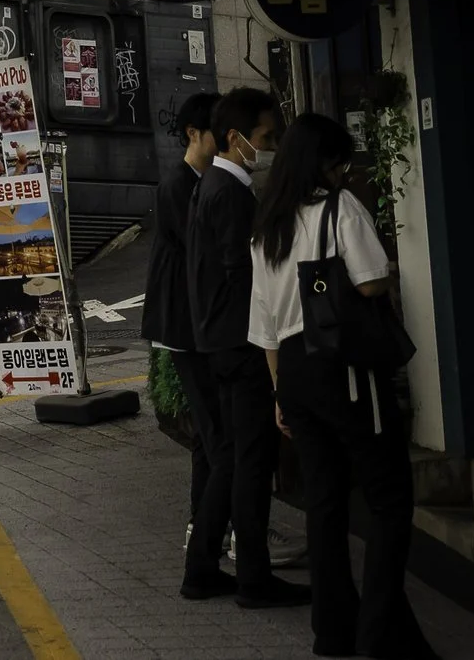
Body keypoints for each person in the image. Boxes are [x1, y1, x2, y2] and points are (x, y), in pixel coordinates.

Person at [253, 113, 434, 658]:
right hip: (346, 370)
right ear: (326, 165)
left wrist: (280, 392)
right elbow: (372, 281)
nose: (343, 172)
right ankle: (380, 635)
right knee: (388, 500)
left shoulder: (267, 229)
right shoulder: (340, 209)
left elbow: (262, 327)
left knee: (324, 503)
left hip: (294, 373)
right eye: (341, 163)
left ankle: (331, 630)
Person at [185, 88, 309, 608]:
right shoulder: (230, 193)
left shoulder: (210, 186)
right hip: (242, 344)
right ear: (236, 139)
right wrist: (270, 348)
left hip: (219, 341)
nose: (270, 147)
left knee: (232, 460)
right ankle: (252, 576)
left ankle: (203, 568)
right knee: (251, 461)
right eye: (264, 138)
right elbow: (245, 279)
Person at [145, 92, 221, 569]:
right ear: (193, 133)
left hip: (195, 322)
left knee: (213, 433)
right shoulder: (179, 186)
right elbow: (203, 254)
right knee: (216, 434)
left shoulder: (203, 181)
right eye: (218, 130)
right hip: (184, 323)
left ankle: (210, 522)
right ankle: (212, 526)